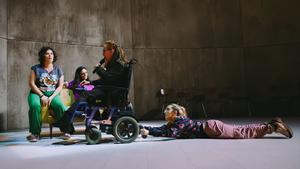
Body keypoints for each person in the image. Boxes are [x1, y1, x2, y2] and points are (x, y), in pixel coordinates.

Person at [59, 40, 129, 136]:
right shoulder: (114, 64)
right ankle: (66, 121)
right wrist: (90, 83)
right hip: (109, 91)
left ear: (112, 51)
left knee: (84, 95)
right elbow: (107, 80)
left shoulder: (118, 64)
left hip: (112, 94)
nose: (103, 53)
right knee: (84, 94)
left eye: (104, 51)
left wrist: (98, 69)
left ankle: (66, 122)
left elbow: (109, 79)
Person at [140, 103, 293, 139]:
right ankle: (270, 125)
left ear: (174, 113)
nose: (165, 115)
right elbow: (164, 128)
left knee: (240, 133)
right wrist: (141, 127)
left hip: (211, 129)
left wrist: (150, 132)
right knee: (239, 130)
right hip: (211, 127)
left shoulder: (180, 122)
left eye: (167, 113)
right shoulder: (178, 121)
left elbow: (171, 133)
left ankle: (272, 127)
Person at [27, 47, 66, 142]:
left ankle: (66, 130)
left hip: (52, 93)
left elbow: (60, 86)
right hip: (37, 93)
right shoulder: (35, 68)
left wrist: (52, 97)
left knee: (59, 105)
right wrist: (42, 96)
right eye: (47, 53)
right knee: (35, 106)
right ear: (42, 56)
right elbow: (31, 83)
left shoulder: (58, 70)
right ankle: (35, 133)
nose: (50, 55)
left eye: (51, 53)